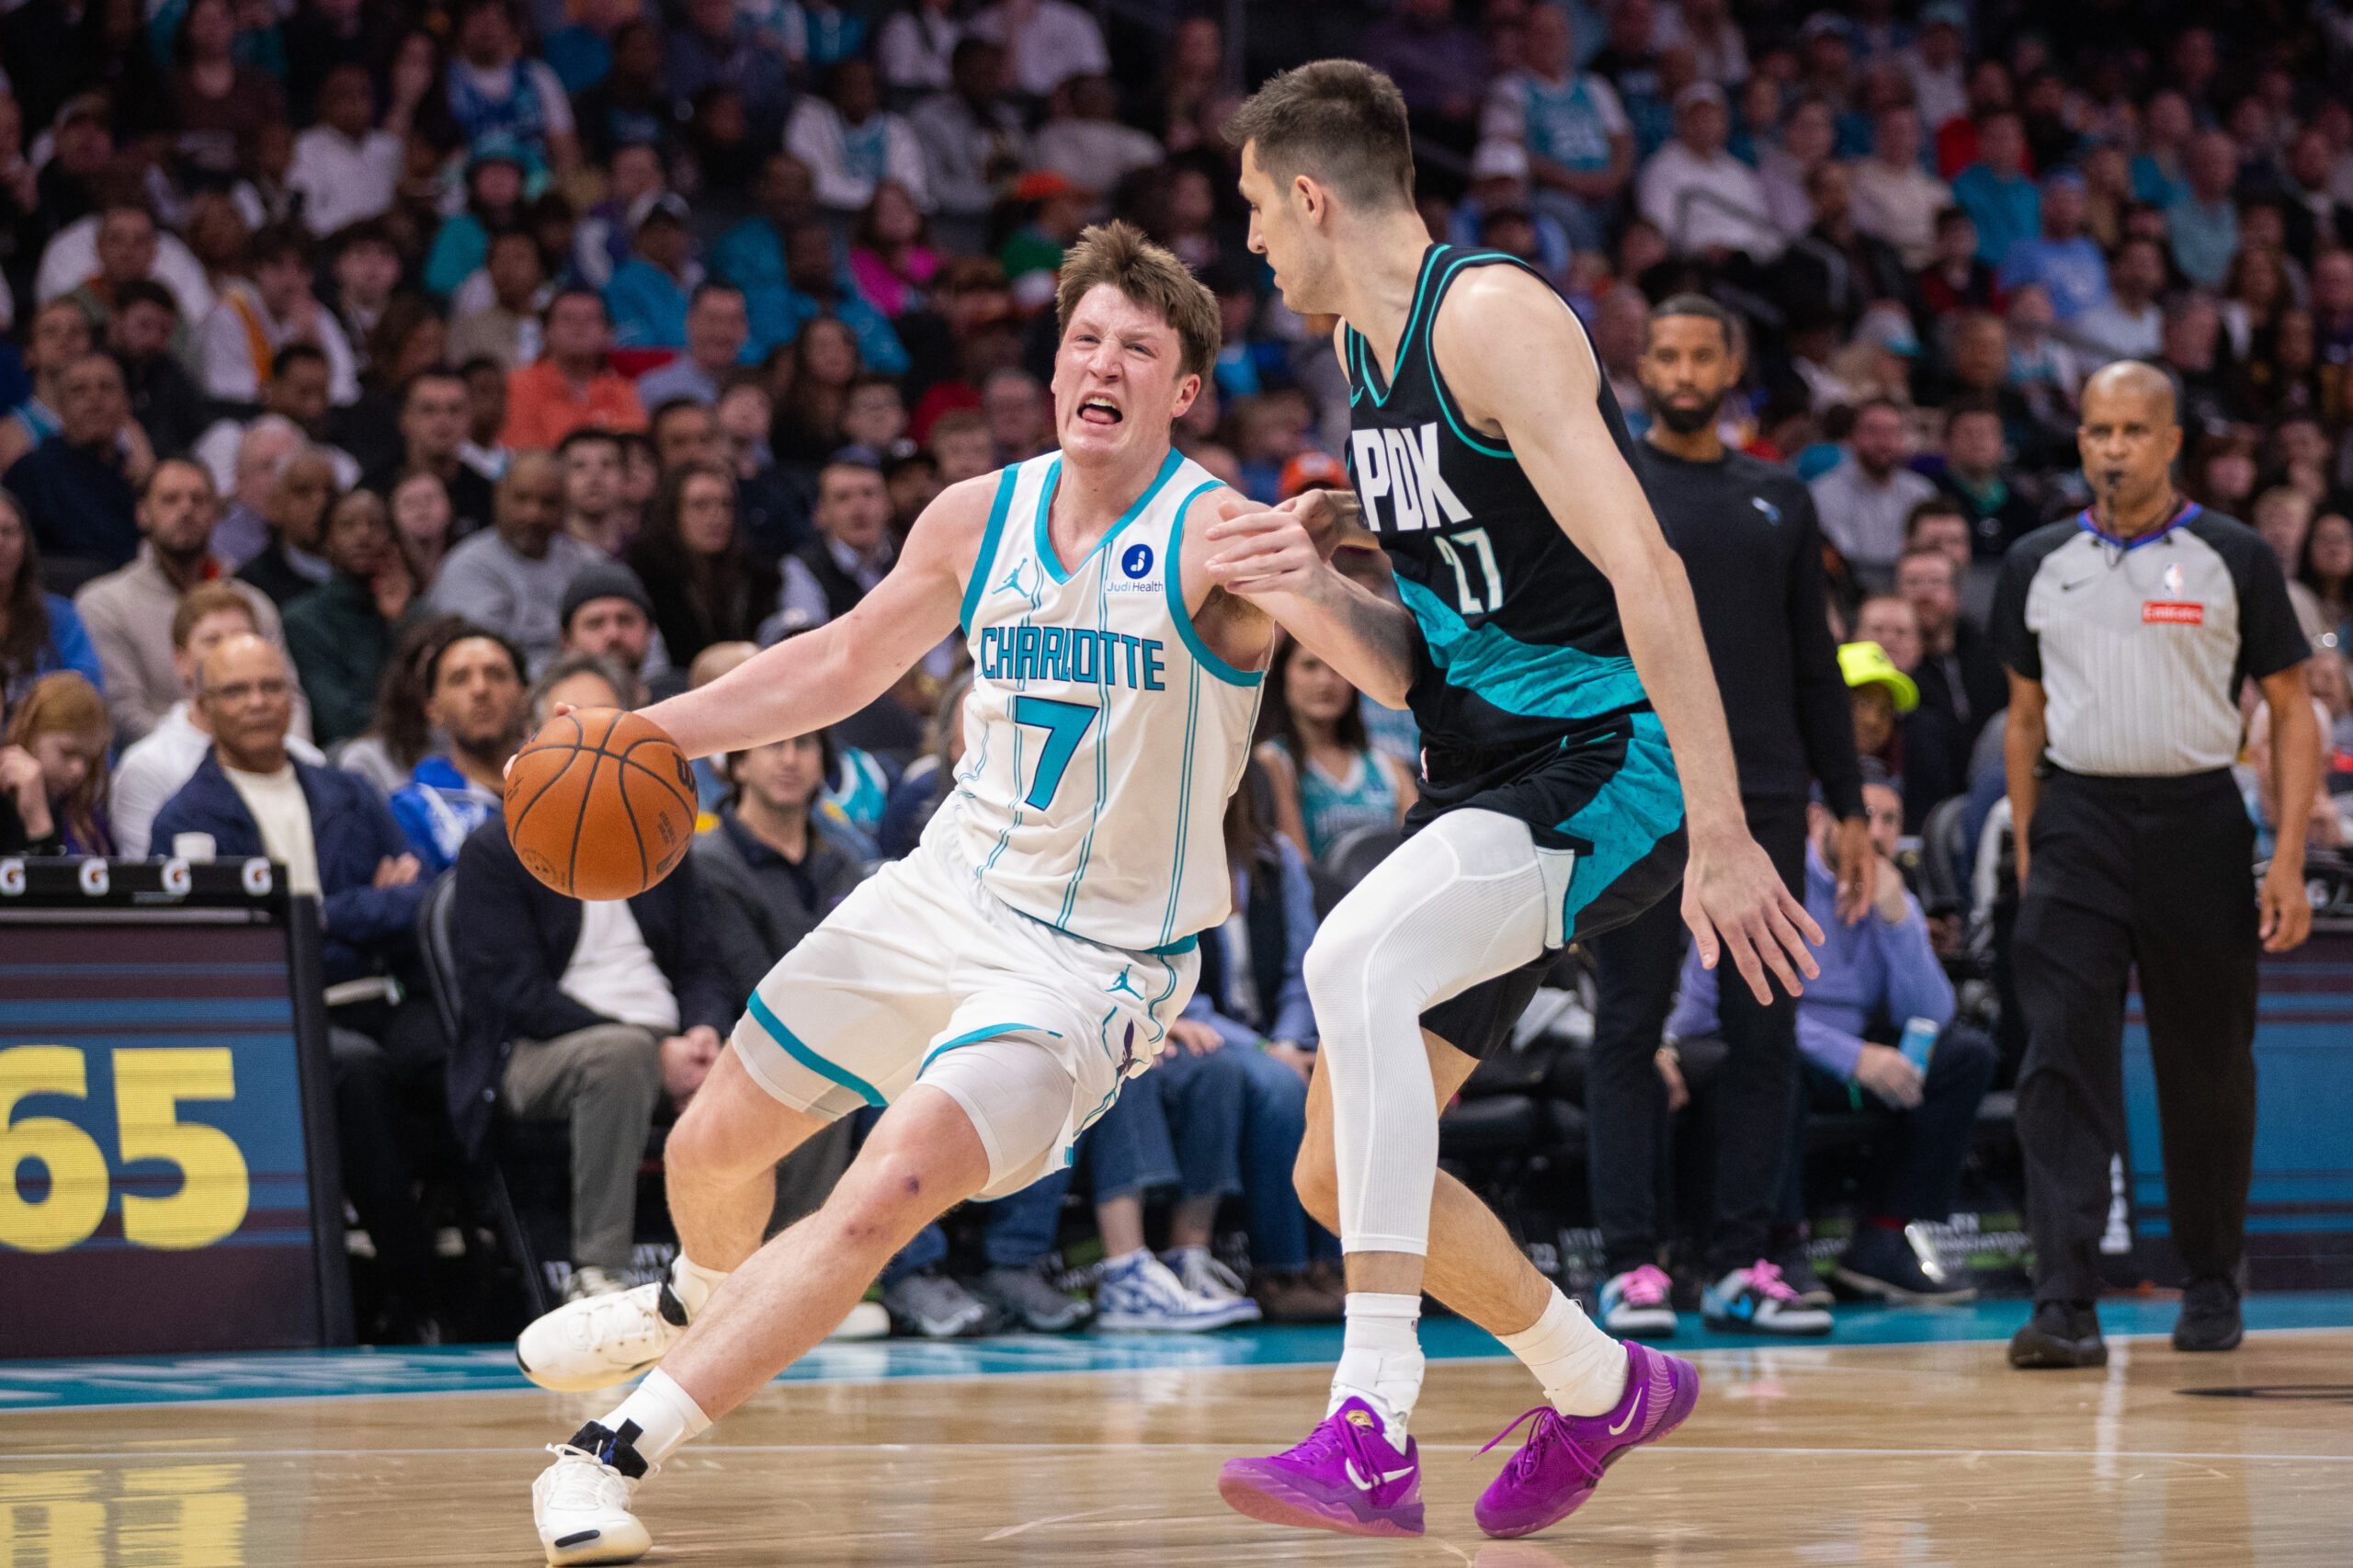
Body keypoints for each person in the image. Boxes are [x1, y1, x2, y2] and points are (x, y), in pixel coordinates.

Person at [514, 222, 1275, 1562]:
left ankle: (607, 1452)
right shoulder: (980, 513)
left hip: (1092, 962)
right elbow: (843, 660)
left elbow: (1328, 622)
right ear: (1054, 365)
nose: (1103, 363)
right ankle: (699, 1301)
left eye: (1138, 350)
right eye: (1085, 338)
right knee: (709, 1151)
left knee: (884, 1185)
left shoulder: (1213, 531)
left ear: (1183, 391)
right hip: (942, 893)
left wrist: (1337, 563)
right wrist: (650, 732)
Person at [1214, 63, 1817, 1539]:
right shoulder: (1361, 365)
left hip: (1616, 758)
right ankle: (1596, 1374)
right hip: (1483, 769)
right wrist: (1313, 591)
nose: (1249, 248)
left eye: (1250, 213)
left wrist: (1726, 829)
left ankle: (1373, 1415)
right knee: (1334, 1161)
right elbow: (1430, 658)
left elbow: (1648, 570)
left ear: (1309, 194)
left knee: (1347, 955)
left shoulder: (1487, 317)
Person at [1997, 361, 2318, 1369]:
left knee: (2207, 1065)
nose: (2113, 447)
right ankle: (2063, 1300)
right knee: (2059, 1060)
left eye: (2134, 429)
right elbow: (2022, 716)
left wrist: (2288, 855)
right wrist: (2026, 842)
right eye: (2097, 429)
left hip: (2198, 819)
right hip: (2076, 820)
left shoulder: (2234, 555)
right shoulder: (2036, 559)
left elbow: (2292, 706)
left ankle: (2212, 1281)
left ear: (2172, 439)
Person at [1577, 293, 1867, 1340]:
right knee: (1626, 1024)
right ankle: (1628, 1267)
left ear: (1733, 366)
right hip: (1635, 787)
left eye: (1703, 354)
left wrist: (1849, 804)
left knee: (1763, 1031)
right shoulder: (1608, 486)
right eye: (1667, 353)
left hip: (1768, 799)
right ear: (1641, 364)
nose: (1684, 370)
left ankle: (1746, 1260)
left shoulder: (1779, 496)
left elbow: (1814, 665)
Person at [152, 632, 443, 1337]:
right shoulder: (185, 818)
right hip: (271, 1016)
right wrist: (351, 911)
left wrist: (314, 912)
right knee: (358, 1073)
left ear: (293, 697)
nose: (258, 703)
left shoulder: (347, 790)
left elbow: (417, 902)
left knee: (461, 1058)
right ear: (202, 706)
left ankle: (499, 1253)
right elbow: (219, 948)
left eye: (271, 687)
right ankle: (415, 1286)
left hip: (376, 995)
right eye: (236, 691)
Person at [451, 653, 732, 1306]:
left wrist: (704, 1033)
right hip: (537, 1055)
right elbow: (512, 993)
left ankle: (773, 1273)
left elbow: (703, 963)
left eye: (612, 727)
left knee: (784, 1058)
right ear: (539, 741)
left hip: (665, 1042)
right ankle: (597, 1277)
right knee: (622, 1055)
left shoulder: (662, 839)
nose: (599, 747)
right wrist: (652, 1049)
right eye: (578, 729)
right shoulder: (495, 851)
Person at [1668, 767, 1996, 1302]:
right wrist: (1855, 1059)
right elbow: (1750, 1010)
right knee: (1776, 1067)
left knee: (1966, 1057)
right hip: (1729, 1040)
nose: (1881, 833)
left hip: (1840, 1053)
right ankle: (1783, 1247)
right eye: (1867, 817)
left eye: (1892, 820)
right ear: (1818, 819)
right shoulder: (1768, 883)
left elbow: (1935, 1014)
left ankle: (1882, 1245)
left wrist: (1897, 920)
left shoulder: (1887, 890)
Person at [73, 459, 289, 745]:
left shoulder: (252, 603)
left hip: (260, 757)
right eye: (170, 500)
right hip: (164, 767)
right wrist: (220, 755)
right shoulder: (103, 604)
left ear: (216, 513)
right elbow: (122, 713)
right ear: (142, 513)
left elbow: (290, 697)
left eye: (198, 500)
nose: (186, 509)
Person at [112, 584, 326, 859]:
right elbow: (147, 885)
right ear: (182, 661)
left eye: (241, 637)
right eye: (212, 640)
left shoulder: (308, 760)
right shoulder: (148, 767)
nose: (230, 650)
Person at [427, 451, 607, 675]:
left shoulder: (590, 564)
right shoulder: (469, 567)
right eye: (521, 499)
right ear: (499, 496)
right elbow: (487, 662)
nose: (533, 514)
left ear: (565, 506)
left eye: (548, 502)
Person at [1256, 636, 1416, 863]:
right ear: (1283, 674)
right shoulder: (1273, 761)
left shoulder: (1390, 768)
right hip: (1320, 897)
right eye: (1309, 666)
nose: (1325, 681)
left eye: (1337, 668)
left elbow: (1420, 857)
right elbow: (1298, 864)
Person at [283, 487, 411, 748]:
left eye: (375, 524)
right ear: (328, 542)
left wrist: (397, 624)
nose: (363, 534)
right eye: (348, 525)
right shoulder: (303, 619)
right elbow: (340, 723)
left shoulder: (411, 613)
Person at [6, 353, 149, 577]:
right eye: (78, 391)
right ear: (60, 408)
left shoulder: (140, 478)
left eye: (106, 388)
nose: (94, 400)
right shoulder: (33, 473)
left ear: (126, 404)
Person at [626, 460, 779, 666]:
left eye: (726, 504)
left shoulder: (759, 576)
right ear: (673, 514)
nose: (717, 516)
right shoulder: (647, 578)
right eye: (700, 505)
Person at [1809, 399, 1937, 591]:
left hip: (1909, 590)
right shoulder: (1824, 491)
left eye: (1892, 432)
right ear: (1852, 436)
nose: (1883, 441)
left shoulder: (1922, 492)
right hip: (1846, 590)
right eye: (1873, 431)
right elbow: (1842, 558)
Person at [501, 290, 648, 452]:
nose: (579, 326)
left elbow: (632, 451)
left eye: (590, 319)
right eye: (567, 319)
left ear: (609, 334)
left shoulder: (623, 391)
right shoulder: (518, 385)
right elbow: (523, 452)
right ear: (545, 332)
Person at [0, 489, 102, 722]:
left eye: (9, 531)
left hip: (47, 744)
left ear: (26, 542)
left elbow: (86, 694)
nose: (0, 542)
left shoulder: (61, 617)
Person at [367, 369, 498, 540]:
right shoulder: (374, 492)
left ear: (470, 419)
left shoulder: (488, 498)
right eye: (429, 410)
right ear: (404, 419)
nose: (443, 421)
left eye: (455, 410)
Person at [770, 459, 896, 634]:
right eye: (842, 497)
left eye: (868, 494)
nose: (858, 508)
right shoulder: (802, 568)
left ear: (888, 504)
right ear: (820, 513)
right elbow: (810, 643)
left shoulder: (913, 556)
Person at [0, 671, 112, 855]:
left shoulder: (85, 816)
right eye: (67, 753)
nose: (79, 770)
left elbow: (53, 883)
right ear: (27, 732)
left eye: (88, 759)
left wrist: (39, 823)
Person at [235, 448, 340, 610]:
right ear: (276, 506)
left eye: (330, 492)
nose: (321, 503)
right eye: (303, 491)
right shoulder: (252, 586)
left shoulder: (361, 571)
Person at [635, 284, 751, 409]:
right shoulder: (654, 389)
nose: (722, 332)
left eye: (733, 321)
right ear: (690, 322)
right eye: (712, 320)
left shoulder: (757, 389)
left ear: (746, 328)